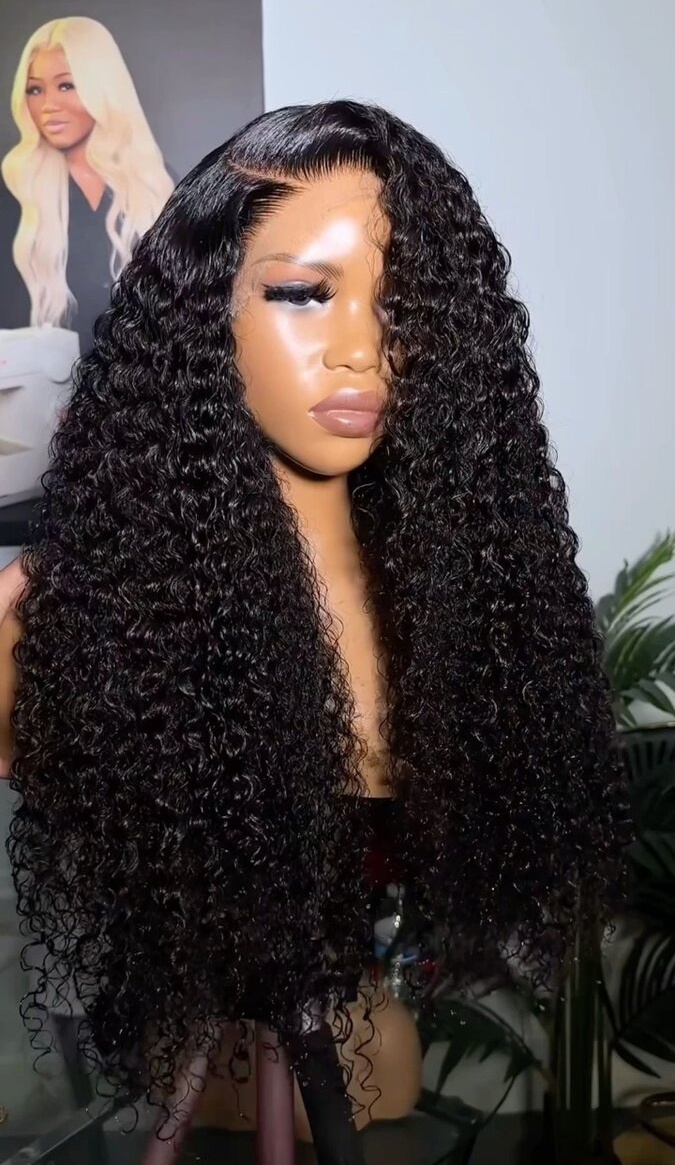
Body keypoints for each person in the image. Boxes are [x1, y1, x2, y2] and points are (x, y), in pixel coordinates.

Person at [0, 99, 631, 1155]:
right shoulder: (51, 618)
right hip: (193, 1058)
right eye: (302, 293)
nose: (360, 351)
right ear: (202, 311)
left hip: (358, 1049)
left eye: (402, 303)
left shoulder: (472, 617)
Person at [0, 15, 175, 354]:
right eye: (35, 90)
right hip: (39, 379)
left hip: (138, 375)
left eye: (66, 85)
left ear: (102, 87)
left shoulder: (154, 183)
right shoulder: (13, 190)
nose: (48, 106)